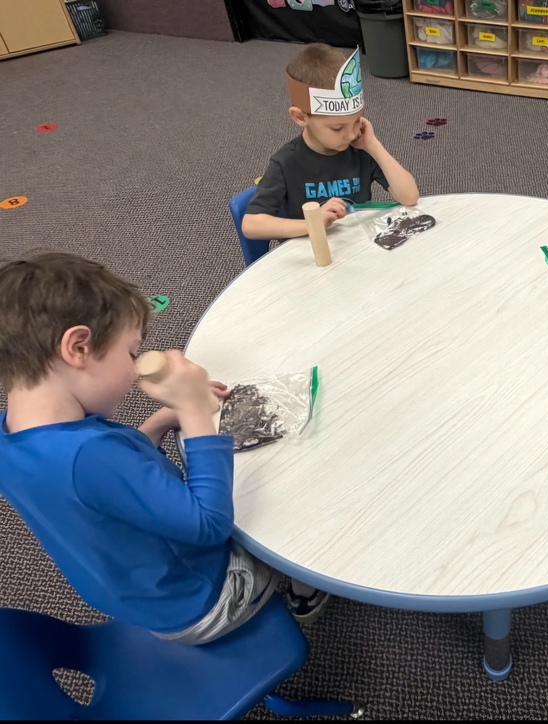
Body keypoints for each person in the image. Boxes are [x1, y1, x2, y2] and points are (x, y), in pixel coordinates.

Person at [0, 252, 329, 645]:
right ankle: (303, 590)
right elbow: (209, 526)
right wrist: (192, 410)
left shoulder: (18, 430)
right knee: (291, 490)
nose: (135, 367)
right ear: (79, 348)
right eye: (131, 353)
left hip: (143, 596)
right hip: (206, 602)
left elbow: (106, 478)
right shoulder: (87, 456)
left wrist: (162, 418)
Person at [242, 43, 419, 241]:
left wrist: (373, 145)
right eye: (337, 128)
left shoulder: (360, 148)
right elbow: (251, 225)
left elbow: (409, 196)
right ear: (300, 117)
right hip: (314, 252)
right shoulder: (286, 162)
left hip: (358, 246)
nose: (352, 134)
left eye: (357, 121)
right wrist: (312, 222)